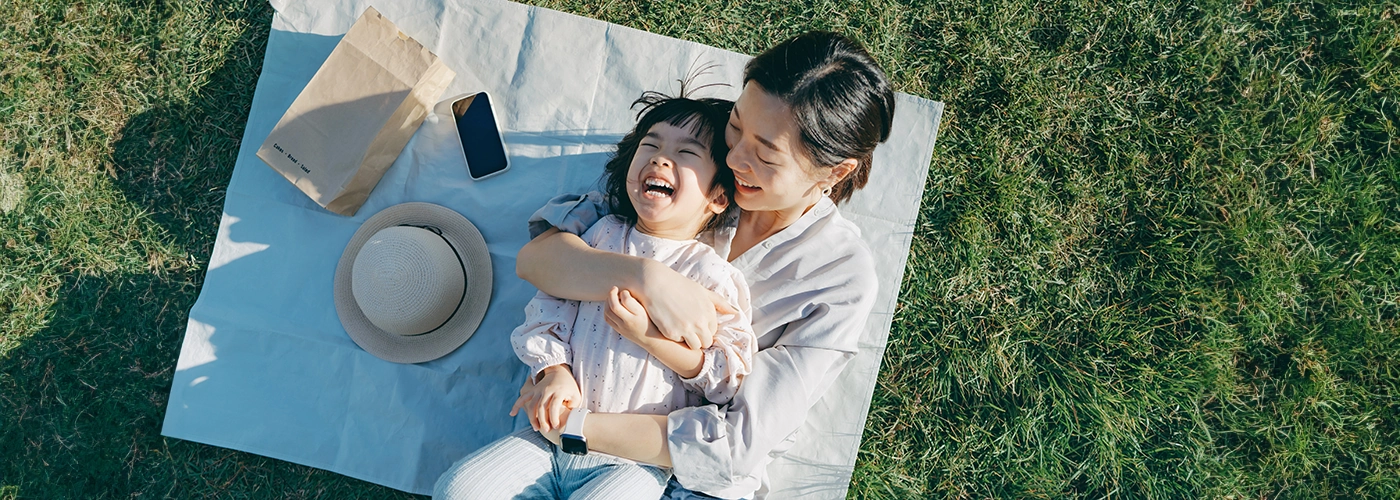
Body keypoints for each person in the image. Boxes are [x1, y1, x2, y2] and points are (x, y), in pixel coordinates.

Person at [500, 31, 897, 499]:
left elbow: (735, 442)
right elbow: (540, 259)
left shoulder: (839, 280)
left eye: (765, 154)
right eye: (736, 125)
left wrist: (575, 425)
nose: (734, 157)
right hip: (568, 413)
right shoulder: (692, 160)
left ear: (836, 171)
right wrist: (647, 278)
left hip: (683, 473)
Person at [433, 92, 757, 500]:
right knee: (458, 489)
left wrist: (649, 338)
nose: (659, 159)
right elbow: (548, 307)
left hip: (634, 462)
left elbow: (727, 378)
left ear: (718, 197)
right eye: (651, 145)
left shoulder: (713, 276)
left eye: (686, 153)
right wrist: (552, 370)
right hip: (548, 439)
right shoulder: (599, 236)